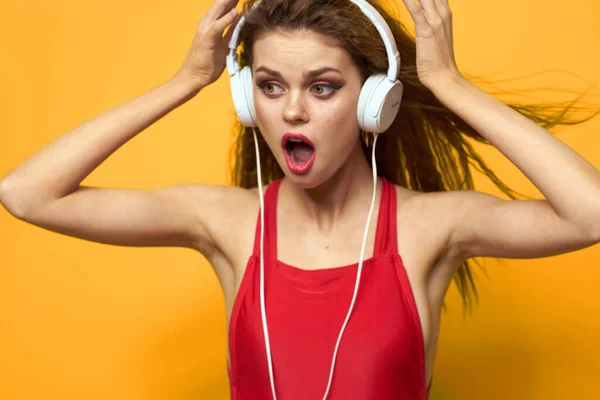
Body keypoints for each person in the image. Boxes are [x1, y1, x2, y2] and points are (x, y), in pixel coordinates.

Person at [0, 0, 598, 399]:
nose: (292, 110)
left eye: (323, 87)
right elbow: (26, 193)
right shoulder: (227, 223)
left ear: (375, 102)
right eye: (269, 86)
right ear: (246, 98)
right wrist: (185, 82)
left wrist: (449, 84)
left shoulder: (429, 226)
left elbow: (589, 212)